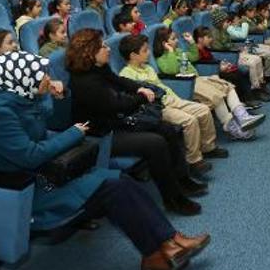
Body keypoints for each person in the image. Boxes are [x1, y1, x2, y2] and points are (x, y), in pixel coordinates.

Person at [0, 51, 209, 270]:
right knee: (115, 187)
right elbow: (30, 155)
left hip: (49, 173)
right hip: (32, 190)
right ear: (21, 78)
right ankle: (159, 252)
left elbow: (49, 125)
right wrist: (73, 134)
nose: (47, 78)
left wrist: (59, 95)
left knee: (119, 181)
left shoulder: (21, 100)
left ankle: (169, 241)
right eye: (41, 74)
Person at [66, 29, 206, 214]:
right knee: (155, 143)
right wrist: (142, 97)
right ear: (89, 52)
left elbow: (119, 81)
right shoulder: (84, 82)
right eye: (102, 46)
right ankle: (173, 198)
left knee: (166, 129)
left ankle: (182, 180)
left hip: (116, 122)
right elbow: (115, 105)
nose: (108, 49)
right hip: (101, 135)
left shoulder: (98, 68)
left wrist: (140, 88)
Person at [117, 35, 242, 166]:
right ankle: (194, 160)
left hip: (172, 98)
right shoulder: (126, 75)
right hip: (159, 107)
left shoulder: (147, 67)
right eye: (144, 50)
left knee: (204, 110)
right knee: (190, 121)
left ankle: (208, 148)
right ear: (133, 55)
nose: (148, 53)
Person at [154, 28, 266, 135]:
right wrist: (170, 52)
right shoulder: (162, 59)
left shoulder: (178, 51)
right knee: (216, 95)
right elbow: (173, 69)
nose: (177, 41)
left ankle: (242, 116)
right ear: (164, 43)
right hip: (188, 84)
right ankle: (231, 127)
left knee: (227, 86)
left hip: (198, 79)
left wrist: (192, 43)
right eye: (173, 39)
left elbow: (194, 57)